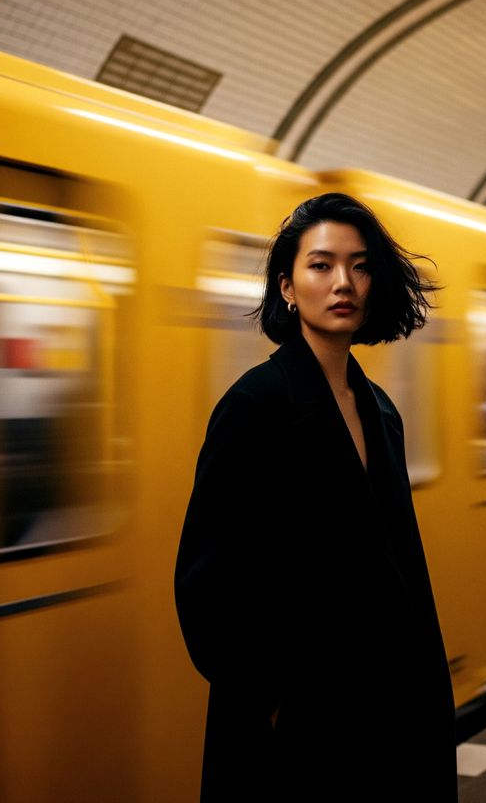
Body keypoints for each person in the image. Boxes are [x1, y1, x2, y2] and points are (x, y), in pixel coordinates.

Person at [175, 193, 458, 802]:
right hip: (296, 724)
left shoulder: (381, 410)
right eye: (321, 265)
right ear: (287, 286)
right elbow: (206, 575)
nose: (343, 283)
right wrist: (269, 700)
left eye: (359, 266)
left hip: (385, 710)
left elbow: (402, 569)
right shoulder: (256, 404)